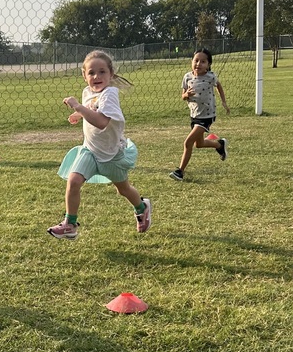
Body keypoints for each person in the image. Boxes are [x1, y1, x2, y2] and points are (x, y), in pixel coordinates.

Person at [47, 50, 151, 239]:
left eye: (102, 72)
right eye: (92, 72)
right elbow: (91, 108)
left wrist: (77, 106)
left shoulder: (110, 94)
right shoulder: (87, 92)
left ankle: (142, 207)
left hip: (111, 155)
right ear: (84, 75)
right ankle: (70, 224)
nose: (97, 76)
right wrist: (79, 114)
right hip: (90, 150)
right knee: (73, 181)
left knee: (123, 190)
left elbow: (102, 122)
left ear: (111, 73)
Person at [169, 49, 229, 181]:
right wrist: (186, 95)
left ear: (208, 64)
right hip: (195, 115)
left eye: (203, 61)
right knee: (199, 144)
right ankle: (219, 145)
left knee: (188, 142)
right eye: (196, 60)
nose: (198, 64)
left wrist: (223, 102)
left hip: (207, 115)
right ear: (192, 61)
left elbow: (219, 85)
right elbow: (183, 96)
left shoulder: (210, 77)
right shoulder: (187, 77)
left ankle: (180, 171)